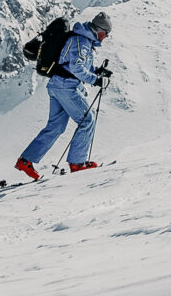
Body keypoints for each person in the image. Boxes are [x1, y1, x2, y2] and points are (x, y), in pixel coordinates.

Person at [16, 12, 114, 180]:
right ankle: (77, 164)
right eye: (106, 33)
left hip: (58, 84)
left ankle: (26, 161)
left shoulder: (82, 39)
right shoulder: (82, 41)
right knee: (87, 120)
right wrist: (96, 80)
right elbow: (76, 68)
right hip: (66, 87)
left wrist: (97, 72)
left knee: (56, 126)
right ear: (99, 30)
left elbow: (75, 65)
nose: (106, 37)